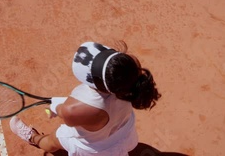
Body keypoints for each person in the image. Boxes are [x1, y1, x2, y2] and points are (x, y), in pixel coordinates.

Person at [9, 41, 161, 156]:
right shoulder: (129, 73)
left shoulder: (72, 109)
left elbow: (65, 112)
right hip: (124, 135)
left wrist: (55, 107)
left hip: (93, 150)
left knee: (52, 141)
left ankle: (34, 138)